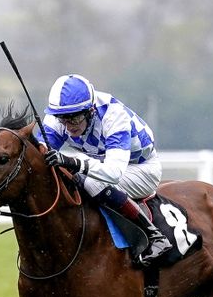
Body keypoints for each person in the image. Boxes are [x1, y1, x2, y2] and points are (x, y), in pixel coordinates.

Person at [36, 74, 172, 266]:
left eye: (74, 118)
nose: (68, 125)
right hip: (101, 163)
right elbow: (39, 154)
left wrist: (72, 162)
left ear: (90, 110)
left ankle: (154, 236)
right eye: (62, 119)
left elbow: (113, 173)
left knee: (92, 181)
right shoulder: (60, 116)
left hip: (140, 169)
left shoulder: (113, 116)